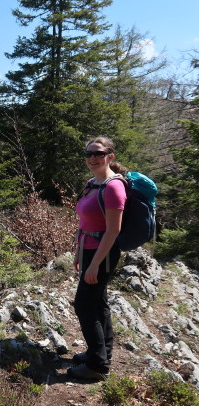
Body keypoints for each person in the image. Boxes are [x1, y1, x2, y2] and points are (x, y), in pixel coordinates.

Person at [69, 136, 127, 380]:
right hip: (88, 247)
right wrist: (78, 253)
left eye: (98, 153)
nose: (92, 158)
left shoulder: (114, 187)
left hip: (103, 252)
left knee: (84, 305)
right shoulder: (92, 183)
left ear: (110, 156)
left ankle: (97, 366)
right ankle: (103, 352)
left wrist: (94, 264)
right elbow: (85, 222)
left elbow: (113, 231)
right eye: (89, 153)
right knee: (98, 302)